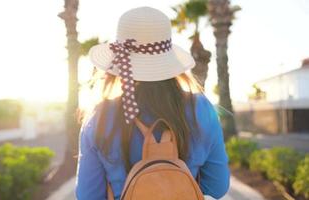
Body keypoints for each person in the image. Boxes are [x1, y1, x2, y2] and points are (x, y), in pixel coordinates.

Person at [76, 7, 229, 200]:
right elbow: (217, 187)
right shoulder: (202, 108)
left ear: (120, 61)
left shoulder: (100, 116)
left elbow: (88, 195)